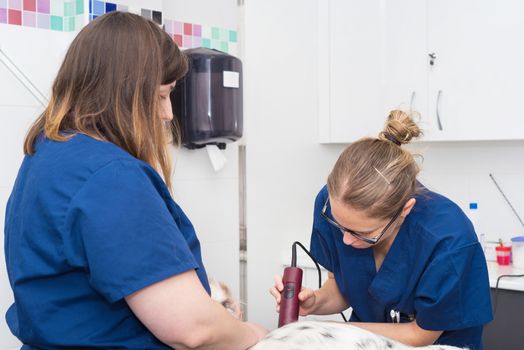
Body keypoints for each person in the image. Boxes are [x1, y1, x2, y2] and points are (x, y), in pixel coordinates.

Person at [4, 11, 266, 349]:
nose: (168, 113)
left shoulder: (46, 152)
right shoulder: (112, 178)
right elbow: (192, 328)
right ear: (123, 93)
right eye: (160, 95)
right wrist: (255, 336)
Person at [270, 110, 493, 350]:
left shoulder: (448, 239)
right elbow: (343, 288)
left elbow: (421, 335)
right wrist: (315, 302)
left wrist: (327, 333)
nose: (345, 240)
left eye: (361, 233)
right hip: (365, 340)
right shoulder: (330, 204)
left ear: (404, 210)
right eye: (339, 225)